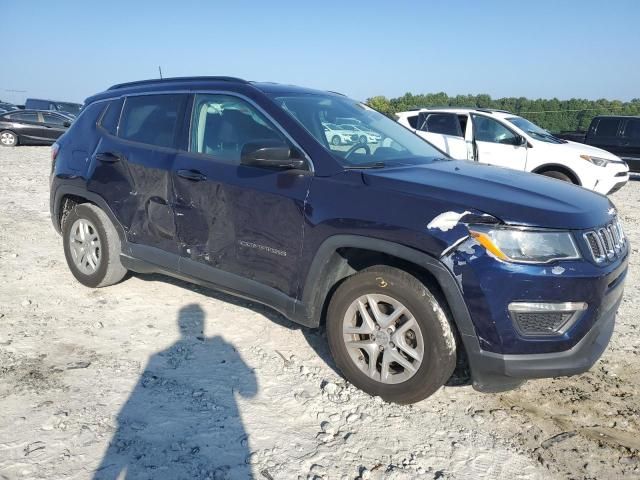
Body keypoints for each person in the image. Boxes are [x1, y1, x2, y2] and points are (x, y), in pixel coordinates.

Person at [94, 304, 257, 479]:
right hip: (219, 439)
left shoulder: (156, 357)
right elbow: (250, 391)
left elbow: (128, 412)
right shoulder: (221, 347)